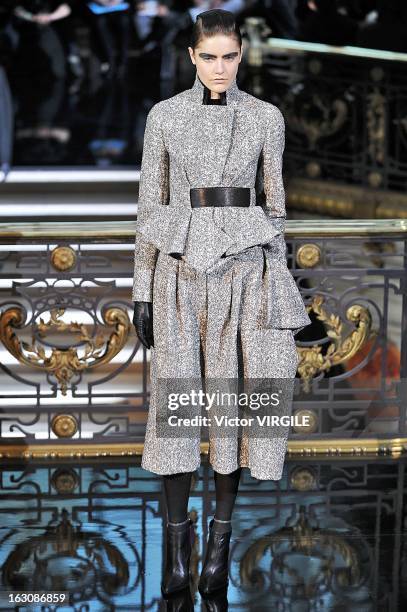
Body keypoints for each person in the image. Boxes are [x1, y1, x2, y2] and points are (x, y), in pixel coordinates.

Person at [131, 8, 311, 599]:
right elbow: (148, 208)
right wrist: (140, 290)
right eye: (208, 56)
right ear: (191, 57)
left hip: (247, 275)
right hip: (179, 275)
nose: (219, 67)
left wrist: (279, 281)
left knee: (234, 412)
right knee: (179, 409)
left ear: (241, 55)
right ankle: (178, 554)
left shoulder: (266, 117)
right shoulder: (165, 117)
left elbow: (277, 207)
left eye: (229, 56)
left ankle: (218, 548)